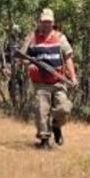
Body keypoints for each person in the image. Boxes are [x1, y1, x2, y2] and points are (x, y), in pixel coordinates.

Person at [21, 8, 78, 149]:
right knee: (41, 111)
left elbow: (68, 57)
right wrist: (29, 65)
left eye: (49, 22)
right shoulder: (32, 38)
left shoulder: (60, 38)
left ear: (53, 23)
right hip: (40, 82)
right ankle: (44, 140)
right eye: (44, 22)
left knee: (64, 108)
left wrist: (73, 77)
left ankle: (56, 126)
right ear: (39, 22)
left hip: (58, 80)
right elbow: (22, 57)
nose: (46, 24)